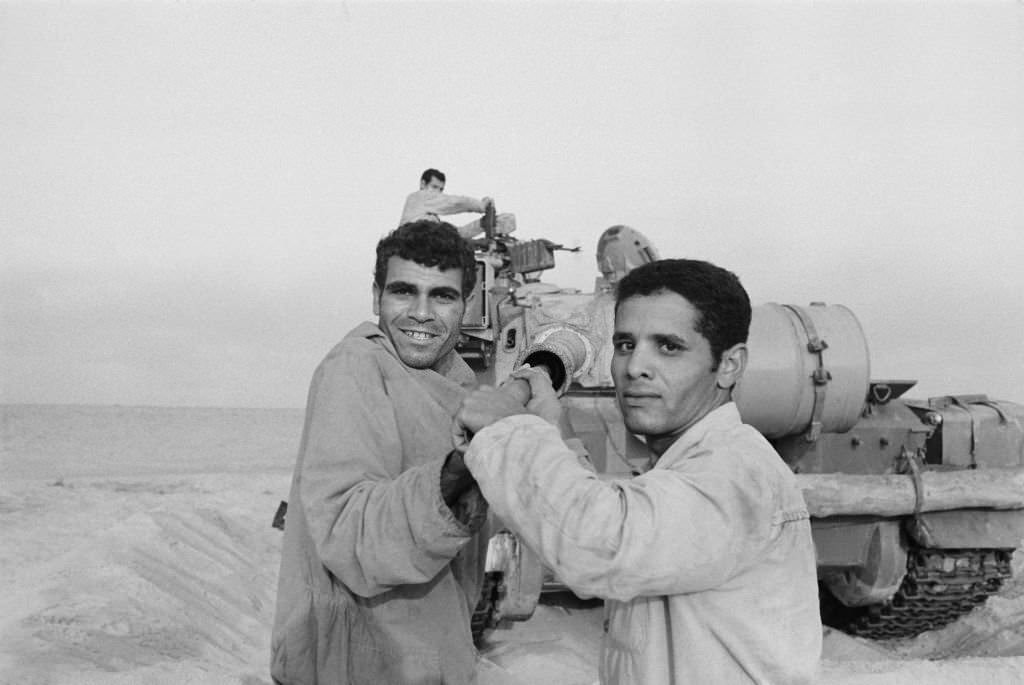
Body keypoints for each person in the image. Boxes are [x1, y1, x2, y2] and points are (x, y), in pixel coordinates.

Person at [453, 258, 822, 684]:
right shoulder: (693, 463)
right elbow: (625, 519)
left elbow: (598, 545)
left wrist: (507, 431)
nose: (633, 367)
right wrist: (554, 432)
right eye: (626, 344)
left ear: (730, 364)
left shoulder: (735, 473)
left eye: (668, 346)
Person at [271, 221, 488, 684]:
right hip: (359, 663)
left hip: (432, 654)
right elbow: (351, 534)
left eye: (442, 296)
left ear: (466, 305)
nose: (421, 313)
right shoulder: (355, 368)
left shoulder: (459, 383)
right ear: (376, 297)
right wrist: (463, 468)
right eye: (403, 292)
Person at [399, 168, 513, 239]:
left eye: (441, 189)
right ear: (423, 184)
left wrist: (481, 224)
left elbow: (457, 234)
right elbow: (454, 203)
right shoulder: (418, 197)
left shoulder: (429, 219)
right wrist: (481, 205)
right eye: (434, 187)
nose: (437, 193)